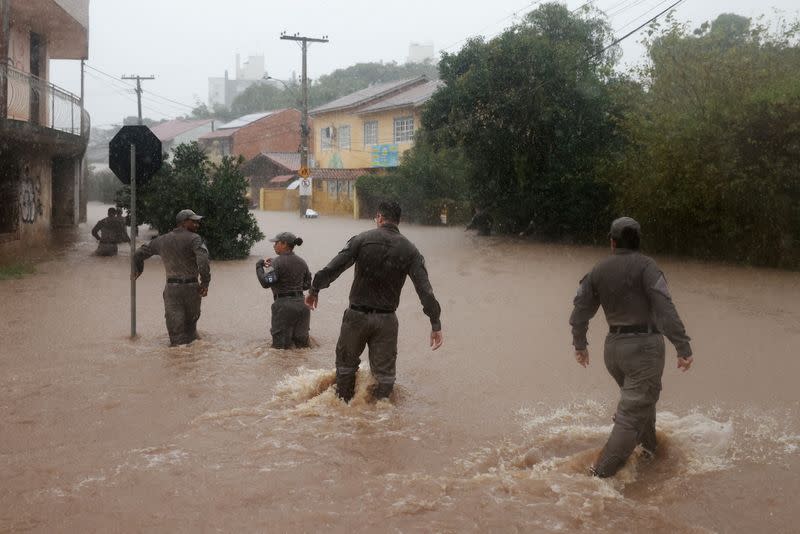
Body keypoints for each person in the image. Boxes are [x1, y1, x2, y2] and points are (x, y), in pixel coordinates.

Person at [569, 216, 693, 478]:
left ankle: (650, 453)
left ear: (612, 242)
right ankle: (597, 478)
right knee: (631, 414)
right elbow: (665, 307)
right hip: (644, 349)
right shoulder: (647, 267)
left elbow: (580, 310)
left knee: (640, 405)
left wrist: (580, 344)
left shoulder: (598, 270)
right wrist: (682, 346)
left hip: (613, 350)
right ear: (638, 241)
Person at [305, 200, 443, 402]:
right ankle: (378, 419)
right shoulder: (410, 250)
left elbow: (334, 267)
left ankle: (343, 412)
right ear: (398, 220)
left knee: (345, 370)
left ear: (379, 217)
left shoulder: (362, 240)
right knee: (384, 380)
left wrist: (315, 289)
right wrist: (435, 322)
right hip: (386, 322)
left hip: (356, 318)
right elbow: (425, 291)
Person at [133, 209, 211, 346]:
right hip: (192, 289)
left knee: (176, 336)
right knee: (191, 332)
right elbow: (203, 261)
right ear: (183, 223)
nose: (197, 225)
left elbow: (138, 254)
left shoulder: (162, 240)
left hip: (172, 290)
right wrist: (205, 283)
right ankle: (192, 365)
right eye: (193, 222)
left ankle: (176, 364)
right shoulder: (195, 239)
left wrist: (139, 270)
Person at [256, 231, 312, 349]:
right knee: (301, 348)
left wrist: (259, 266)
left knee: (280, 349)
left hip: (284, 307)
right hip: (302, 306)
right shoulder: (302, 262)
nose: (274, 245)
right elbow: (307, 285)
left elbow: (266, 282)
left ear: (284, 244)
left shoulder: (277, 262)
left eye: (276, 243)